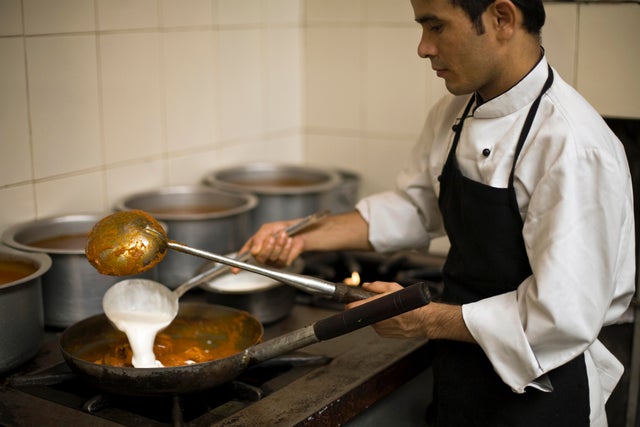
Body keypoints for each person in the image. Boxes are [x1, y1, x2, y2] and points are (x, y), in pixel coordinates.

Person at [236, 0, 636, 425]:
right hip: (465, 373)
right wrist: (303, 236)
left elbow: (561, 318)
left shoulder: (573, 147)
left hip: (544, 390)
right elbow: (415, 206)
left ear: (502, 19)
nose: (423, 47)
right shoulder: (456, 111)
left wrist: (426, 320)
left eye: (436, 26)